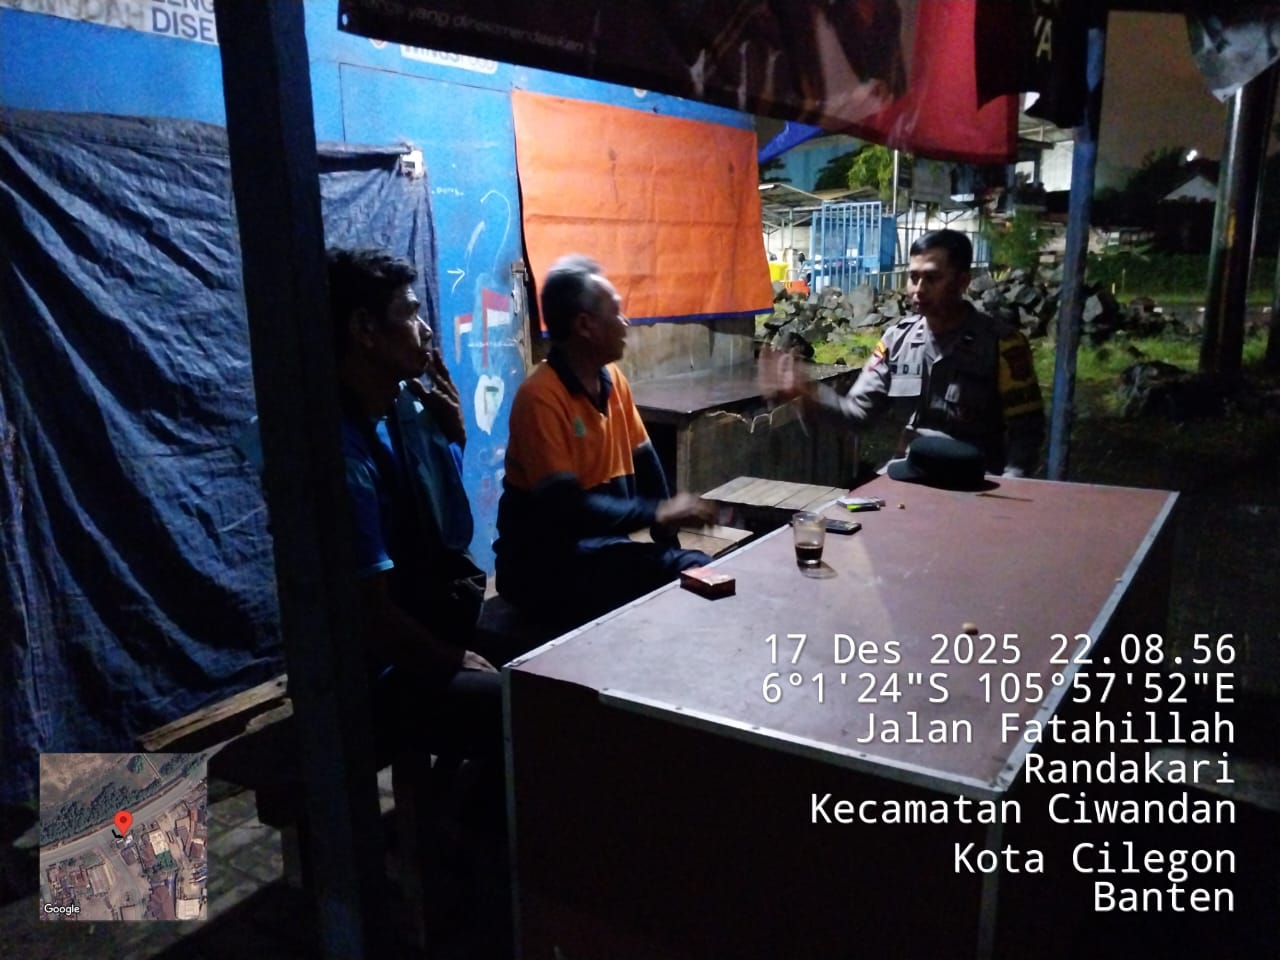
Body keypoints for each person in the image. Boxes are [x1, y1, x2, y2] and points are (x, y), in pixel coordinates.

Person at [495, 254, 717, 629]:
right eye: (616, 312)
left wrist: (666, 532)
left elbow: (646, 461)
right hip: (541, 567)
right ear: (585, 325)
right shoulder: (540, 397)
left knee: (691, 570)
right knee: (684, 576)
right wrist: (658, 513)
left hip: (594, 550)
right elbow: (568, 509)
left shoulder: (612, 380)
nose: (625, 322)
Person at [760, 229, 1045, 477]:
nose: (918, 289)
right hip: (911, 476)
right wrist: (807, 393)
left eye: (932, 278)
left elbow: (1026, 432)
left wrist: (1009, 490)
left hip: (976, 483)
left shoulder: (1001, 344)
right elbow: (857, 413)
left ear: (963, 282)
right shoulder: (897, 341)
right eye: (913, 277)